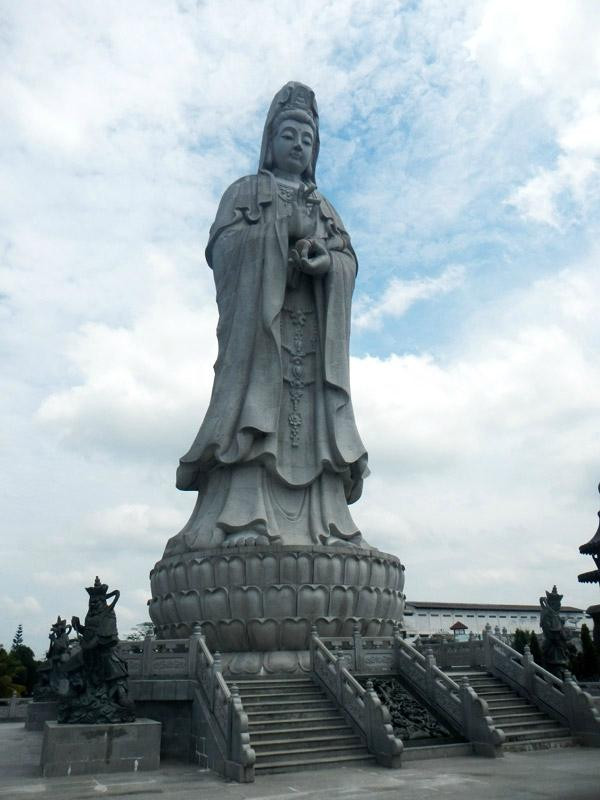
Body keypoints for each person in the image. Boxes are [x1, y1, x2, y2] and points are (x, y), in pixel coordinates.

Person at [165, 82, 369, 555]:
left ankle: (330, 523)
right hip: (261, 341)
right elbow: (223, 250)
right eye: (289, 136)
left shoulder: (327, 209)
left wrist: (326, 264)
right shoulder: (246, 192)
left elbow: (347, 261)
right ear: (269, 142)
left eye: (308, 140)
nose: (299, 146)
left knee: (318, 428)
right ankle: (242, 516)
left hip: (312, 345)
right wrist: (278, 233)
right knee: (255, 422)